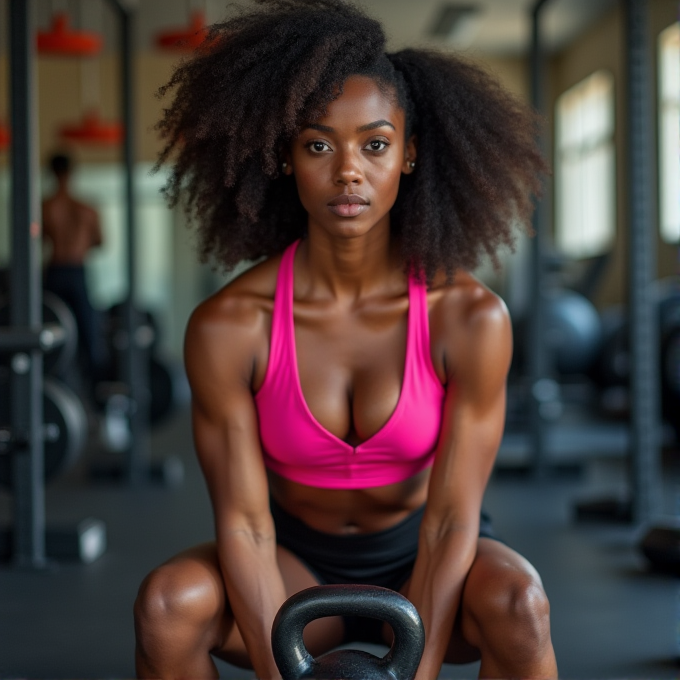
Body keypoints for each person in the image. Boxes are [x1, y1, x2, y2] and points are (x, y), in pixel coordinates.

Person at [134, 1, 557, 678]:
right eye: (319, 144)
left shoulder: (468, 317)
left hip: (427, 557)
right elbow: (244, 525)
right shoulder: (231, 325)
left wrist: (412, 676)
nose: (349, 171)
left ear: (409, 155)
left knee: (521, 602)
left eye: (376, 144)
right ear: (287, 159)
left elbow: (451, 522)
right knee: (166, 604)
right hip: (293, 564)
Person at [42, 153, 107, 383]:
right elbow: (100, 242)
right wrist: (79, 244)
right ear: (71, 173)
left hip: (55, 270)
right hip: (76, 270)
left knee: (51, 326)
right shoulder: (86, 209)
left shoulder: (45, 207)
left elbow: (38, 241)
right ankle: (95, 384)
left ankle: (52, 378)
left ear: (52, 173)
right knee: (88, 330)